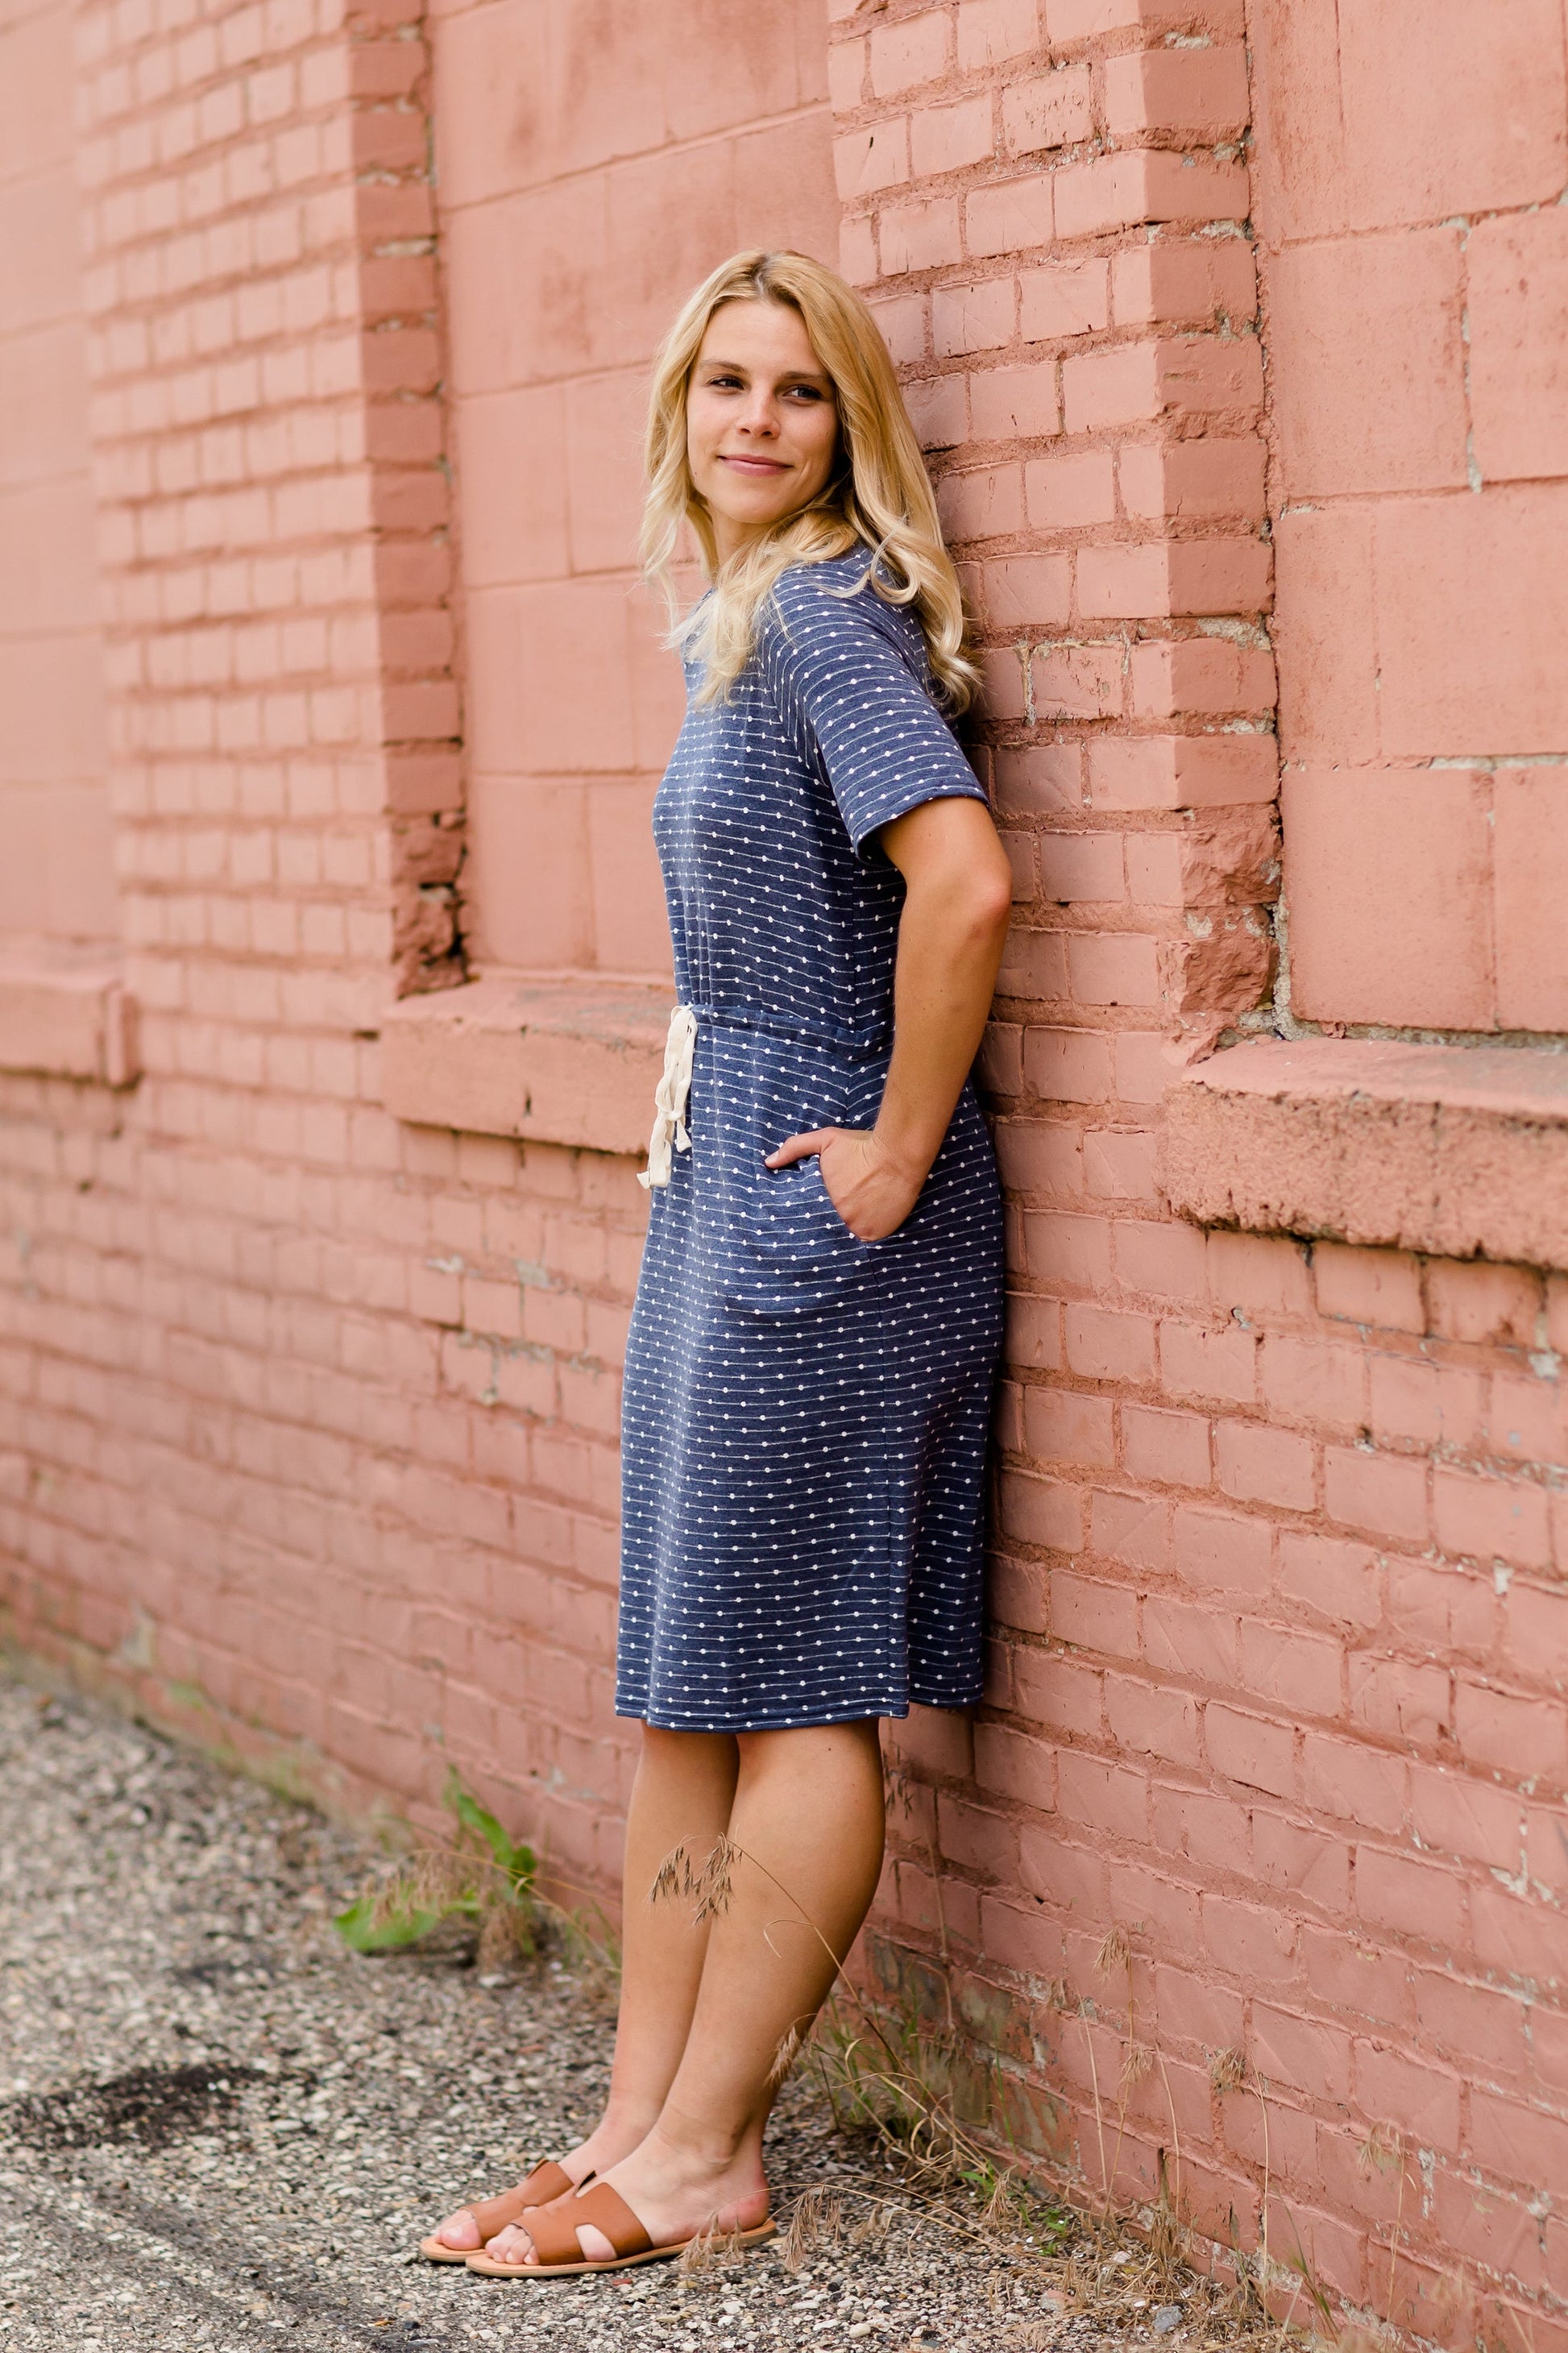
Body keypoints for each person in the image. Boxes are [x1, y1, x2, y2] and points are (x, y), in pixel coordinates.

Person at [421, 247, 1012, 2279]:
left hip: (825, 1206)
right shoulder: (736, 624)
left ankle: (709, 2150)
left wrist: (895, 1148)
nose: (757, 421)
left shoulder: (838, 615)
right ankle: (636, 2125)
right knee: (685, 1676)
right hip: (723, 1183)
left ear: (851, 427)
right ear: (678, 409)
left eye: (801, 392)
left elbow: (967, 880)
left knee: (800, 1684)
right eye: (725, 386)